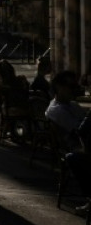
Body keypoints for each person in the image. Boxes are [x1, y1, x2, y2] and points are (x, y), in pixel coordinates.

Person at [46, 70, 91, 212]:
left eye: (75, 86)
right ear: (59, 87)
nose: (74, 90)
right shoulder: (56, 110)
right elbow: (80, 130)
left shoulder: (72, 105)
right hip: (77, 147)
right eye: (70, 86)